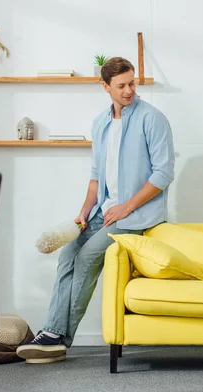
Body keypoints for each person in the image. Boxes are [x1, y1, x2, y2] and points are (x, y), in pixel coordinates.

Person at [17, 57, 175, 363]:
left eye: (132, 83)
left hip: (137, 214)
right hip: (105, 211)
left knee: (88, 257)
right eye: (121, 85)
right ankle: (52, 331)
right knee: (67, 255)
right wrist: (84, 212)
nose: (129, 90)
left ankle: (61, 339)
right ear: (105, 87)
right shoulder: (100, 122)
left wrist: (126, 207)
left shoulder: (152, 119)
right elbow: (95, 176)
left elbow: (163, 174)